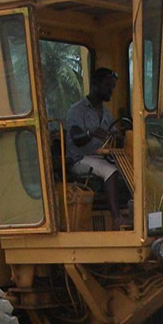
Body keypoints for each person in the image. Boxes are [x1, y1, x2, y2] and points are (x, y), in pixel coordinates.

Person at [66, 67, 131, 229]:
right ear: (95, 85)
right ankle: (116, 219)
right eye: (108, 86)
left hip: (101, 157)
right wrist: (90, 133)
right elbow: (76, 138)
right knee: (110, 170)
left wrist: (118, 137)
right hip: (80, 159)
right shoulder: (77, 110)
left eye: (113, 87)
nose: (111, 90)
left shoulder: (106, 113)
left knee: (130, 168)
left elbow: (114, 134)